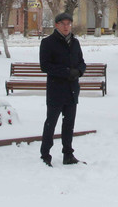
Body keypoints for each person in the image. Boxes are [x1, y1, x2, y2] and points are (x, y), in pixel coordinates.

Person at [39, 12, 86, 166]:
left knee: (69, 124)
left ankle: (68, 154)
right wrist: (66, 72)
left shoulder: (75, 42)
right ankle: (45, 155)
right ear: (57, 25)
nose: (66, 27)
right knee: (51, 123)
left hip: (72, 90)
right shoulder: (48, 42)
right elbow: (45, 66)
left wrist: (79, 71)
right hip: (56, 90)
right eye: (63, 24)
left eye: (68, 24)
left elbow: (81, 62)